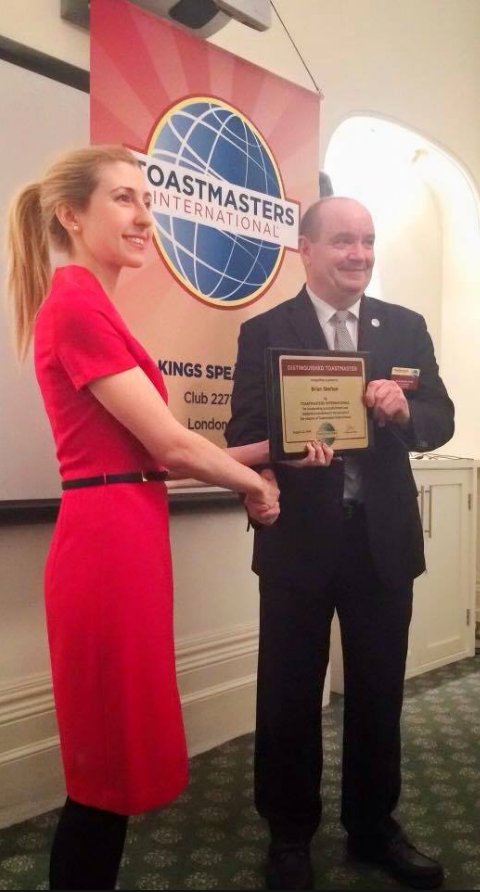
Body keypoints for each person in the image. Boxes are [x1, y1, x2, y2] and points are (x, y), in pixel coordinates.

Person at [6, 145, 333, 891]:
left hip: (127, 528)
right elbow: (172, 446)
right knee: (101, 777)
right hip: (108, 541)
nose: (143, 218)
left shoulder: (89, 302)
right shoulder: (78, 302)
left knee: (112, 767)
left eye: (145, 202)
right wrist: (252, 489)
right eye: (123, 199)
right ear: (70, 214)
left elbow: (160, 449)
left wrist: (270, 453)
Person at [225, 196, 455, 891]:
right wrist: (279, 461)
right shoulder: (266, 330)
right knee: (288, 695)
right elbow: (244, 434)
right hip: (297, 542)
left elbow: (439, 417)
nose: (359, 254)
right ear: (306, 249)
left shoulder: (404, 327)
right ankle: (290, 836)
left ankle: (372, 827)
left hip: (381, 542)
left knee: (379, 692)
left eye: (368, 241)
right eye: (343, 242)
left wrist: (403, 411)